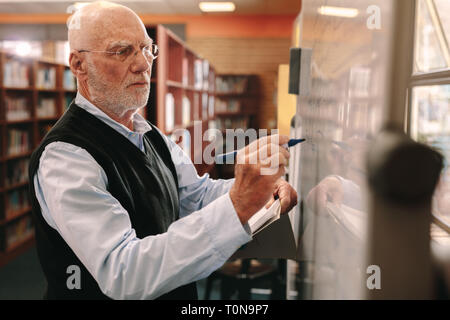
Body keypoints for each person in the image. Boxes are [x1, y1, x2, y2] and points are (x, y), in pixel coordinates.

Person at [28, 1, 298, 300]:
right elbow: (123, 272)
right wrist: (237, 205)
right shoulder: (66, 156)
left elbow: (195, 196)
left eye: (146, 48)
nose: (143, 64)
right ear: (79, 65)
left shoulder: (148, 133)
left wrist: (257, 190)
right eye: (122, 51)